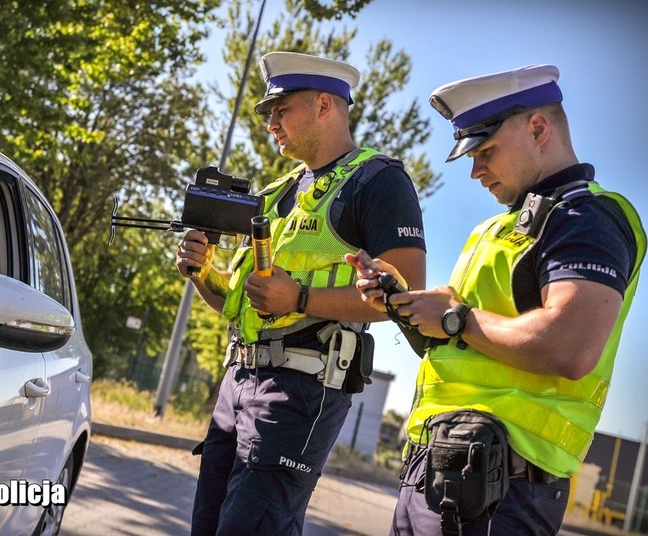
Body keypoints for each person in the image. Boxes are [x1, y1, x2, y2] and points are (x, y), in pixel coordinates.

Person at [351, 64, 645, 535]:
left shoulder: (585, 217)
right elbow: (456, 344)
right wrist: (404, 305)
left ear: (538, 128)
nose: (475, 171)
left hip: (500, 487)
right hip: (442, 468)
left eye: (485, 150)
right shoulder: (497, 229)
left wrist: (453, 317)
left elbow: (570, 347)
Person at [175, 51, 426, 536]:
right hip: (239, 378)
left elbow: (408, 291)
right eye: (269, 113)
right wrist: (201, 272)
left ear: (325, 106)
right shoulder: (277, 192)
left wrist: (301, 299)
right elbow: (244, 300)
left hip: (301, 388)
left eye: (281, 109)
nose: (271, 123)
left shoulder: (377, 181)